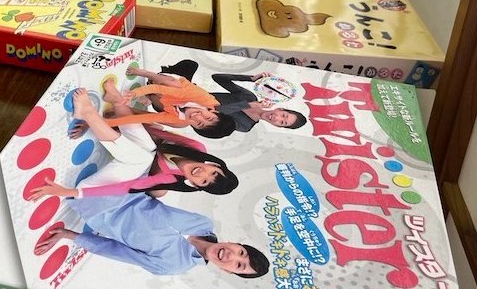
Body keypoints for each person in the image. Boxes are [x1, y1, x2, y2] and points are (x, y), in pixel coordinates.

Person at [30, 82, 238, 201]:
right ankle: (113, 103)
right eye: (212, 173)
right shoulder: (197, 148)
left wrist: (71, 192)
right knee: (149, 143)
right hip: (138, 147)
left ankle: (88, 113)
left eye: (204, 182)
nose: (202, 174)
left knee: (142, 158)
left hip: (130, 171)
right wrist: (108, 122)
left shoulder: (171, 181)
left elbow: (130, 186)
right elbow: (154, 128)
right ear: (215, 165)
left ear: (196, 185)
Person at [35, 192, 269, 278]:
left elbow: (117, 251)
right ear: (236, 243)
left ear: (227, 271)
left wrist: (69, 234)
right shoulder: (204, 223)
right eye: (241, 252)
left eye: (238, 265)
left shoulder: (173, 266)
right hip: (121, 187)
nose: (231, 256)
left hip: (96, 208)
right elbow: (152, 200)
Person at [159, 60, 307, 135]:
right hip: (190, 93)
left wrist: (247, 106)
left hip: (184, 110)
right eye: (283, 115)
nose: (277, 118)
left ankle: (155, 91)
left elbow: (213, 110)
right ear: (280, 109)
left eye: (282, 122)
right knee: (189, 65)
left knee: (166, 99)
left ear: (278, 126)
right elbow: (217, 77)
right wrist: (250, 78)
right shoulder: (249, 96)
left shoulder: (245, 126)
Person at [96, 65, 236, 138]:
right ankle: (146, 73)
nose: (197, 117)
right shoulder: (203, 98)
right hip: (170, 83)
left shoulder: (181, 121)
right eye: (208, 117)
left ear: (195, 127)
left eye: (199, 123)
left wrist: (104, 123)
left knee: (176, 124)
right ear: (213, 111)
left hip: (166, 104)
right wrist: (134, 93)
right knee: (173, 84)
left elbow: (146, 118)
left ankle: (124, 101)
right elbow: (159, 88)